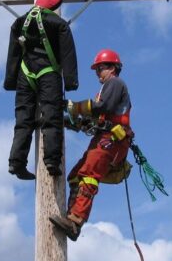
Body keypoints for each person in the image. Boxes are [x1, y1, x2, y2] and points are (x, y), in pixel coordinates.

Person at [50, 49, 132, 241]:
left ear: (112, 68)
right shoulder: (105, 89)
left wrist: (74, 107)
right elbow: (96, 120)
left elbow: (102, 108)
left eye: (100, 68)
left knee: (88, 175)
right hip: (103, 137)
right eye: (96, 69)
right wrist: (72, 121)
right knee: (76, 176)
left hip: (112, 140)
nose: (97, 73)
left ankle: (75, 220)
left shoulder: (115, 83)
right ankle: (71, 217)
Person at [4, 0, 79, 180]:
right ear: (54, 6)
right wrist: (70, 81)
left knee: (23, 120)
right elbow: (68, 53)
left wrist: (10, 81)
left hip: (25, 73)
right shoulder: (59, 24)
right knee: (51, 116)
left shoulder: (20, 22)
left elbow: (13, 52)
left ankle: (16, 162)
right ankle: (52, 161)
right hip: (48, 73)